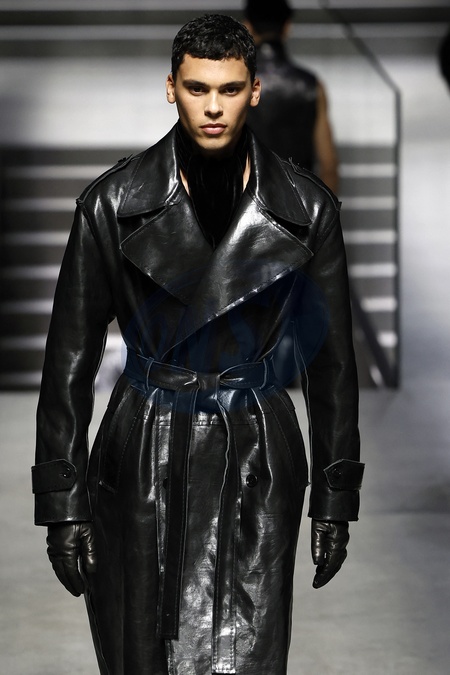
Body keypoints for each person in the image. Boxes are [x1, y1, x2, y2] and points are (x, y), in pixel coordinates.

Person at [32, 14, 363, 675]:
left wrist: (335, 496)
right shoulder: (111, 204)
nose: (214, 106)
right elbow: (70, 357)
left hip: (256, 449)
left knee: (246, 652)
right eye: (197, 88)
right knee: (142, 653)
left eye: (230, 89)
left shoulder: (308, 209)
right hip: (144, 447)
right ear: (171, 88)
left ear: (254, 91)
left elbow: (332, 365)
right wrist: (61, 502)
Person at [243, 0, 340, 194]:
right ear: (287, 27)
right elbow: (329, 165)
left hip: (248, 204)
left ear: (247, 27)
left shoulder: (235, 84)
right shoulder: (311, 85)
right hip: (298, 203)